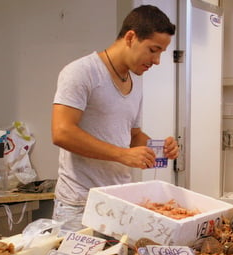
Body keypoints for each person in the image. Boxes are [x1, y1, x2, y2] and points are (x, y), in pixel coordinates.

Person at [51, 5, 179, 232]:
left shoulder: (136, 80)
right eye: (153, 50)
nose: (157, 60)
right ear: (131, 37)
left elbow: (132, 135)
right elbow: (62, 132)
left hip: (120, 201)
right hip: (79, 204)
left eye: (161, 53)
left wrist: (157, 148)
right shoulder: (82, 72)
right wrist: (122, 155)